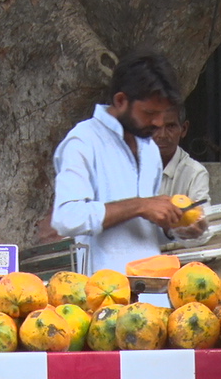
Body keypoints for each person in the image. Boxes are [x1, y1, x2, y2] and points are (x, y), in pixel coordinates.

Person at [50, 51, 205, 276]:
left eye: (162, 114)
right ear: (121, 101)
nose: (159, 123)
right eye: (150, 113)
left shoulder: (149, 148)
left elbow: (143, 230)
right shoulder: (83, 141)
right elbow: (67, 217)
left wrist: (176, 227)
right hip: (102, 294)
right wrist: (140, 205)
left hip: (153, 292)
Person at [154, 105, 211, 204]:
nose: (162, 135)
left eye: (170, 126)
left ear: (183, 129)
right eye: (155, 127)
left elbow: (200, 216)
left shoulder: (195, 173)